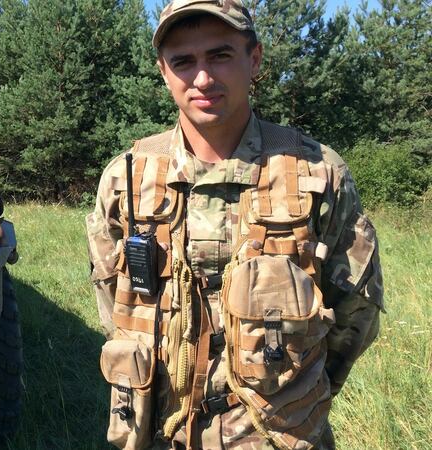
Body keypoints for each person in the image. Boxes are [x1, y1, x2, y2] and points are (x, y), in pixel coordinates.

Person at [86, 1, 383, 449]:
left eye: (220, 55)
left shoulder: (317, 172)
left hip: (276, 436)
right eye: (183, 61)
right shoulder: (126, 178)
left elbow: (355, 311)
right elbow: (113, 304)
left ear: (254, 59)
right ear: (163, 71)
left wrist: (297, 395)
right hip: (160, 434)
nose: (202, 78)